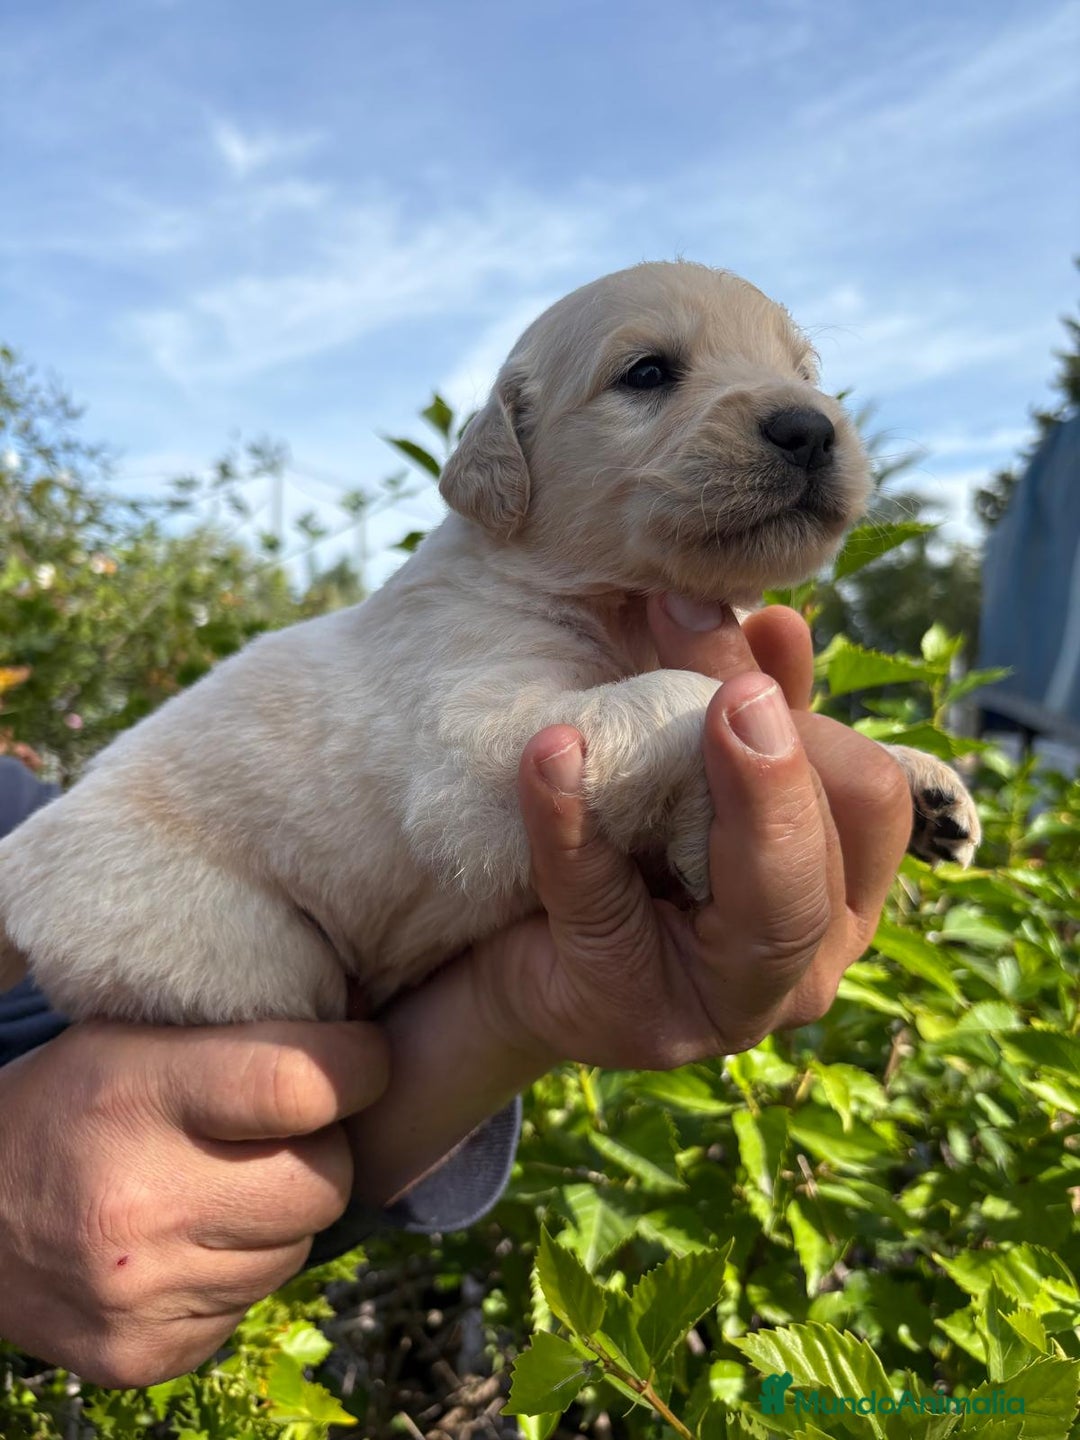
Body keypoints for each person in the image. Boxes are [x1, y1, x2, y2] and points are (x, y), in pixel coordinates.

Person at [0, 599, 912, 1388]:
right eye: (645, 381)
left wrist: (519, 1005)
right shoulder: (483, 595)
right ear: (504, 464)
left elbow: (165, 1126)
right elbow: (481, 791)